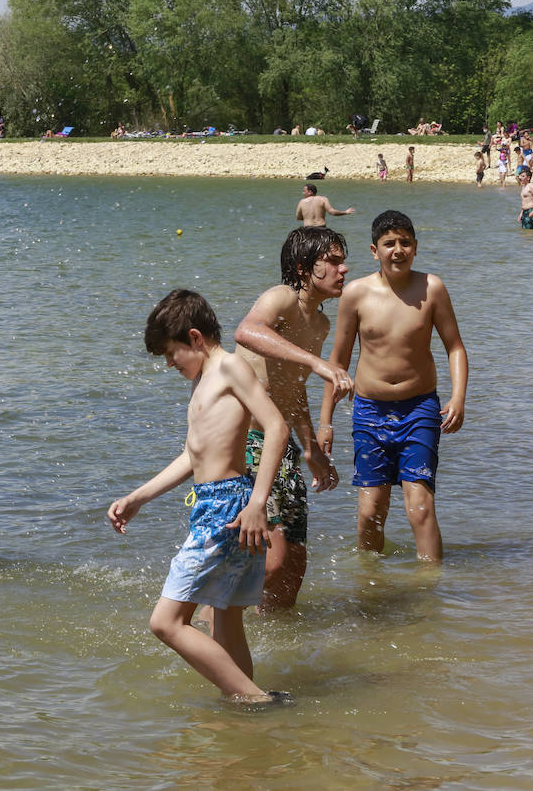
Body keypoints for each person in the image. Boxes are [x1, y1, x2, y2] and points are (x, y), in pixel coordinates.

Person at [107, 290, 290, 706]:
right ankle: (244, 709)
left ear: (194, 337)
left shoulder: (229, 367)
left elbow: (276, 427)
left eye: (172, 354)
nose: (170, 364)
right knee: (226, 620)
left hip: (231, 507)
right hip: (221, 504)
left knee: (166, 622)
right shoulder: (203, 380)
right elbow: (194, 454)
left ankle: (258, 699)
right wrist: (139, 497)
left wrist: (258, 503)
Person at [319, 211, 468, 562]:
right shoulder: (356, 294)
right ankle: (372, 586)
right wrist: (326, 420)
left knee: (419, 507)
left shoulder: (432, 288)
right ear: (375, 250)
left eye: (405, 243)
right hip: (370, 411)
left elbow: (455, 346)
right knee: (371, 511)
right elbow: (337, 363)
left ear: (415, 248)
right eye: (389, 244)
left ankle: (431, 587)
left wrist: (458, 396)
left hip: (420, 409)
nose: (397, 250)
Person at [229, 227, 354, 609]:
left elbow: (291, 389)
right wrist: (316, 361)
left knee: (294, 566)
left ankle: (277, 647)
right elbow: (247, 331)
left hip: (281, 447)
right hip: (245, 443)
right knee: (271, 559)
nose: (343, 269)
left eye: (341, 260)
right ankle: (208, 617)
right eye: (332, 261)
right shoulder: (280, 298)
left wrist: (312, 449)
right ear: (303, 268)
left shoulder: (319, 324)